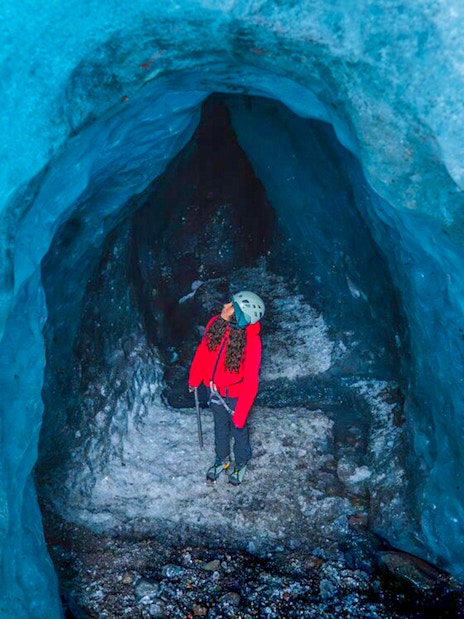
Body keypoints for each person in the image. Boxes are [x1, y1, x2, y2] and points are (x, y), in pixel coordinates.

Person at [188, 291, 265, 485]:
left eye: (232, 306)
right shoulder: (216, 323)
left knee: (239, 429)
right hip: (213, 391)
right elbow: (203, 350)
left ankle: (241, 462)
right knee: (219, 426)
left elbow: (251, 380)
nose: (226, 305)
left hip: (235, 395)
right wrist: (195, 378)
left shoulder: (251, 342)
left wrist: (241, 411)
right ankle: (221, 458)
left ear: (240, 315)